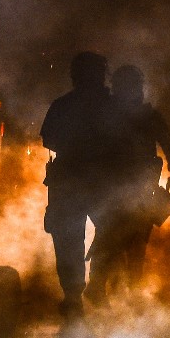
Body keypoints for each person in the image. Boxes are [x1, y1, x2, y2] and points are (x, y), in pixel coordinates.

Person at [84, 64, 170, 307]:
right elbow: (169, 147)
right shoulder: (111, 114)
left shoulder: (128, 114)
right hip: (117, 188)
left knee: (123, 239)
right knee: (115, 240)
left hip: (134, 189)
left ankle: (117, 289)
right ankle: (107, 288)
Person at [40, 51, 111, 320]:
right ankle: (88, 290)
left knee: (70, 239)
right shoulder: (110, 105)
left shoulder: (63, 105)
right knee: (109, 231)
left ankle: (77, 294)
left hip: (74, 179)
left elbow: (49, 139)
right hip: (97, 180)